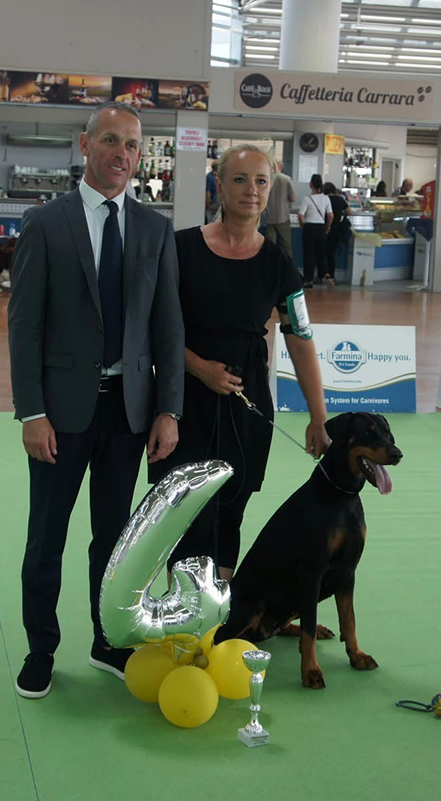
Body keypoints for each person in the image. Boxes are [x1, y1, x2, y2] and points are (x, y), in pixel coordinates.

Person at [8, 101, 184, 699]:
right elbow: (24, 325)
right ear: (85, 146)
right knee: (47, 538)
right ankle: (40, 648)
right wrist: (32, 411)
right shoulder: (45, 223)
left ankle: (107, 641)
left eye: (132, 145)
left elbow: (169, 328)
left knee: (113, 539)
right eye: (111, 140)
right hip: (60, 413)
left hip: (128, 411)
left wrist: (168, 409)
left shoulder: (155, 229)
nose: (122, 154)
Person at [149, 144, 329, 583]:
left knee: (231, 510)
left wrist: (318, 416)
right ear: (220, 185)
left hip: (246, 407)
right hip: (182, 403)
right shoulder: (181, 248)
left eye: (261, 181)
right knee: (182, 511)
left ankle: (215, 611)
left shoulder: (279, 263)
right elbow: (154, 328)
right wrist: (198, 367)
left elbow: (301, 340)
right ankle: (180, 608)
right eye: (240, 179)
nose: (252, 190)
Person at [298, 174, 333, 288]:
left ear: (311, 184)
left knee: (309, 254)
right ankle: (327, 275)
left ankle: (309, 280)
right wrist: (328, 227)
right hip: (321, 227)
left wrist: (303, 225)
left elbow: (301, 215)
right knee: (321, 253)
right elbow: (330, 215)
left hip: (309, 227)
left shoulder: (307, 199)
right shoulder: (326, 198)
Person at [265, 160, 296, 259]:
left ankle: (270, 266)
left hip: (269, 218)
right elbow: (293, 198)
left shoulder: (266, 179)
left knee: (270, 245)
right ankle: (287, 266)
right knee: (286, 245)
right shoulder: (287, 179)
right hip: (283, 217)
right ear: (281, 167)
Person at [323, 182, 351, 287]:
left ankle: (323, 275)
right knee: (332, 254)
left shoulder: (324, 199)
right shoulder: (340, 199)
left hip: (324, 228)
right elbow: (349, 212)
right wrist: (341, 213)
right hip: (336, 229)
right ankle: (332, 276)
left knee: (322, 253)